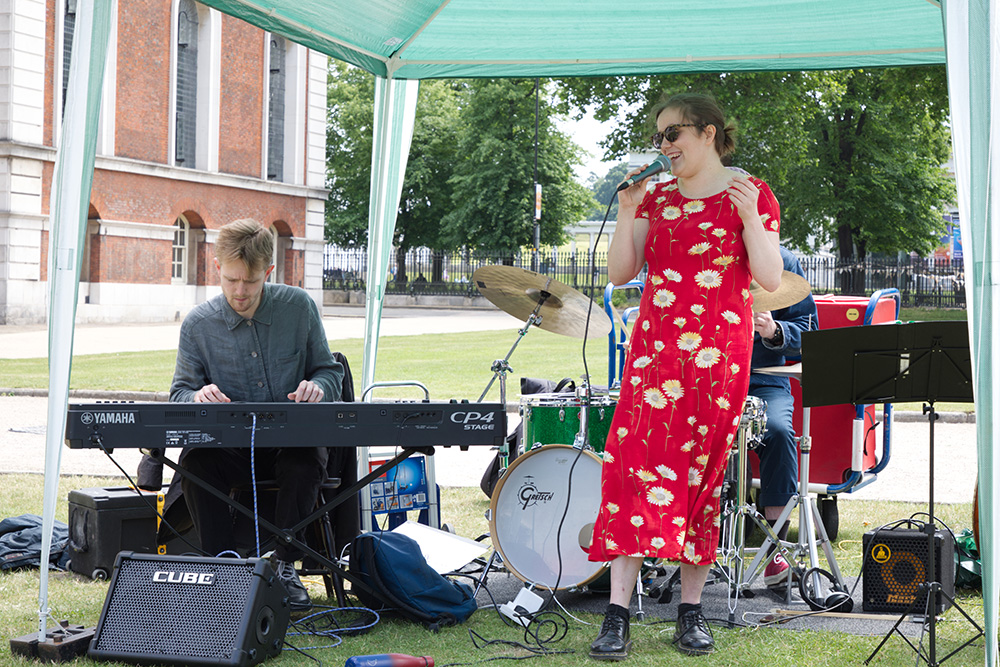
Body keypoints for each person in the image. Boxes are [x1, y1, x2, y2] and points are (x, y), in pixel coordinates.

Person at [588, 92, 782, 660]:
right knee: (630, 472)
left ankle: (691, 613)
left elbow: (769, 278)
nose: (664, 146)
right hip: (654, 355)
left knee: (701, 478)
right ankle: (618, 615)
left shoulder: (753, 194)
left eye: (673, 134)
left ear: (709, 133)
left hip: (718, 357)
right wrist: (628, 210)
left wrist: (749, 219)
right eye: (660, 137)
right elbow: (623, 271)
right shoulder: (659, 198)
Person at [170, 218, 344, 612]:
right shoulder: (198, 325)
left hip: (291, 443)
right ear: (217, 268)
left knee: (304, 463)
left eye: (250, 281)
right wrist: (197, 395)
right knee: (195, 464)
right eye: (231, 280)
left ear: (268, 271)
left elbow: (329, 370)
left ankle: (283, 565)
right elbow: (179, 392)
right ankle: (222, 570)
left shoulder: (298, 308)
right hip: (230, 448)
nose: (240, 291)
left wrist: (319, 386)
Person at [749, 247, 817, 588]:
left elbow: (810, 327)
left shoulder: (783, 262)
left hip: (765, 379)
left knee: (777, 431)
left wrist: (775, 331)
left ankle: (777, 550)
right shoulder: (705, 251)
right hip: (709, 377)